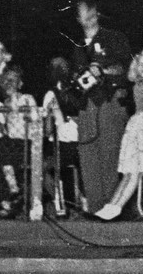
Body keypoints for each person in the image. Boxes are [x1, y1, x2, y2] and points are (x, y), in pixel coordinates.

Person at [70, 0, 131, 214]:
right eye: (83, 12)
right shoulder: (76, 45)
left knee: (110, 154)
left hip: (109, 103)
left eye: (91, 10)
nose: (89, 16)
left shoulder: (114, 38)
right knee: (88, 155)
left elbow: (126, 69)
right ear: (78, 18)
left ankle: (111, 208)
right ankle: (95, 208)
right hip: (86, 106)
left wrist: (102, 72)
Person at [94, 48, 143, 220]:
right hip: (137, 125)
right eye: (140, 65)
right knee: (129, 171)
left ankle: (116, 208)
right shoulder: (138, 84)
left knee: (135, 172)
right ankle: (111, 206)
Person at [0, 66, 36, 218]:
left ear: (20, 84)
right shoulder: (4, 103)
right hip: (9, 145)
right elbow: (3, 130)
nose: (9, 83)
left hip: (26, 143)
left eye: (13, 80)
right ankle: (7, 202)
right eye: (6, 80)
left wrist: (17, 106)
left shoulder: (26, 98)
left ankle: (10, 195)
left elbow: (33, 118)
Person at [42, 56, 81, 216]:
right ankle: (74, 203)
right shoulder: (78, 92)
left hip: (62, 145)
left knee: (40, 168)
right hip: (81, 143)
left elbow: (47, 129)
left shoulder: (51, 95)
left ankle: (60, 203)